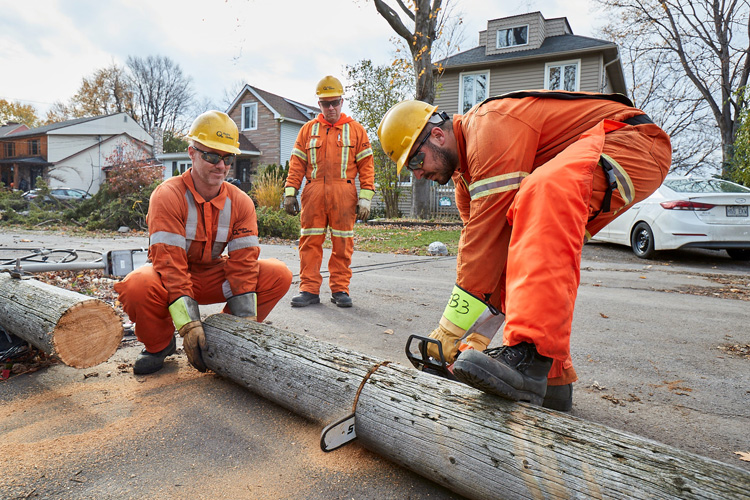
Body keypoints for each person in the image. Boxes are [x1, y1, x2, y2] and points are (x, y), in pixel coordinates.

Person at [378, 91, 672, 410]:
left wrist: (447, 333)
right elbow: (495, 266)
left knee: (543, 190)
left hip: (632, 142)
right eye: (411, 169)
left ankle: (530, 359)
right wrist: (469, 345)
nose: (418, 174)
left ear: (437, 134)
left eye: (416, 160)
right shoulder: (466, 185)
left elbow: (481, 250)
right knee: (533, 245)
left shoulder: (487, 129)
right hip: (586, 161)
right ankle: (553, 380)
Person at [114, 110, 293, 375]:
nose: (220, 165)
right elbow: (170, 264)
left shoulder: (241, 202)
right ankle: (159, 345)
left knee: (278, 274)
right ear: (192, 153)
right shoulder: (168, 195)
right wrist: (189, 325)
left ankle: (227, 340)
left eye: (227, 158)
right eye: (211, 156)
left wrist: (244, 324)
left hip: (213, 275)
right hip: (170, 278)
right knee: (137, 285)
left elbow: (243, 265)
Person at [283, 75, 375, 308]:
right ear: (319, 105)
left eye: (335, 102)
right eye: (326, 103)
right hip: (313, 192)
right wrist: (290, 192)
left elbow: (367, 167)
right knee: (309, 243)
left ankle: (340, 289)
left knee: (342, 244)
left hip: (344, 193)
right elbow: (296, 164)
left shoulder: (356, 130)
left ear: (342, 101)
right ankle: (309, 289)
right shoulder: (307, 130)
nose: (331, 107)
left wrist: (365, 198)